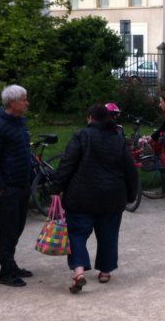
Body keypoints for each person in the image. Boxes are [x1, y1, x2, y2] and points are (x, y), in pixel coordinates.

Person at [50, 104, 139, 293]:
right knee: (108, 234)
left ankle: (79, 271)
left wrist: (56, 188)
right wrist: (131, 193)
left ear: (90, 118)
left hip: (81, 196)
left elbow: (67, 164)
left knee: (77, 234)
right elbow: (130, 169)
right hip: (113, 196)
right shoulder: (118, 138)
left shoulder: (81, 136)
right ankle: (105, 272)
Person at [0, 84, 34, 287]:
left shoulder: (19, 122)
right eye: (24, 99)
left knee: (18, 226)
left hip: (22, 183)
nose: (27, 103)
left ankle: (11, 264)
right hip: (9, 186)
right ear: (12, 103)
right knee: (8, 229)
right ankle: (5, 271)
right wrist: (0, 186)